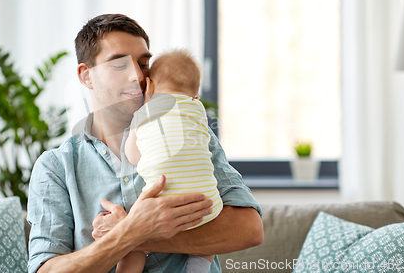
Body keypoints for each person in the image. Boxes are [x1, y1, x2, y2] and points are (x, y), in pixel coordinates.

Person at [27, 14, 264, 273]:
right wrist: (131, 232)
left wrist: (139, 236)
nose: (136, 76)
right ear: (86, 76)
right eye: (119, 64)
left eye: (143, 64)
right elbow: (46, 270)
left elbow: (248, 230)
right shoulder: (55, 167)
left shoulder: (187, 130)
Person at [119, 49, 221, 273]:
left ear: (151, 87)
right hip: (205, 203)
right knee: (207, 242)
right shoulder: (198, 110)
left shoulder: (144, 113)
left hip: (161, 202)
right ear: (196, 96)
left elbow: (133, 155)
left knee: (134, 244)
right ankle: (198, 267)